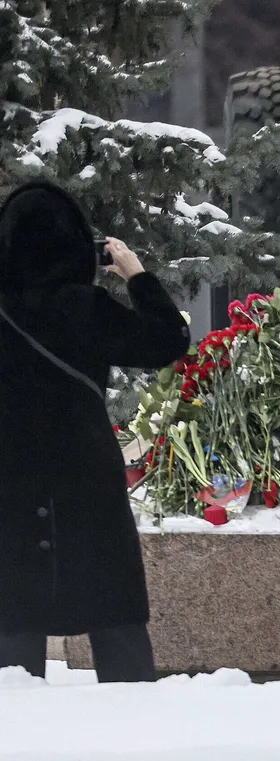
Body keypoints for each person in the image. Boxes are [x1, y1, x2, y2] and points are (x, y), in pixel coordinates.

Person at [0, 181, 191, 681]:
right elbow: (167, 338)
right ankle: (132, 729)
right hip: (84, 475)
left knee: (12, 620)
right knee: (114, 614)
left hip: (10, 478)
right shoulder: (85, 308)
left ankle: (19, 739)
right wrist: (135, 273)